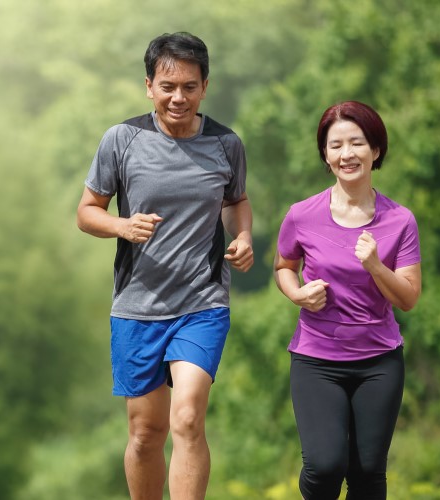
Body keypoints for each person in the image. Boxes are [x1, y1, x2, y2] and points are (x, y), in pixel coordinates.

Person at [76, 32, 254, 500]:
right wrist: (122, 227)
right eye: (168, 86)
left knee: (189, 418)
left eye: (190, 87)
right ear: (149, 85)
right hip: (137, 306)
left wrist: (243, 237)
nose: (179, 98)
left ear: (205, 87)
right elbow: (86, 211)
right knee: (145, 433)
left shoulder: (225, 143)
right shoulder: (122, 139)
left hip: (202, 301)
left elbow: (236, 200)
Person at [273, 100, 422, 499]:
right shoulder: (302, 215)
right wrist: (297, 294)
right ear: (325, 154)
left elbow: (408, 298)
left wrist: (375, 265)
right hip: (317, 359)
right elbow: (283, 266)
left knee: (368, 472)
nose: (347, 154)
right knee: (324, 467)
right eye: (335, 145)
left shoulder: (400, 220)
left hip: (379, 360)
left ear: (375, 150)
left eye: (357, 143)